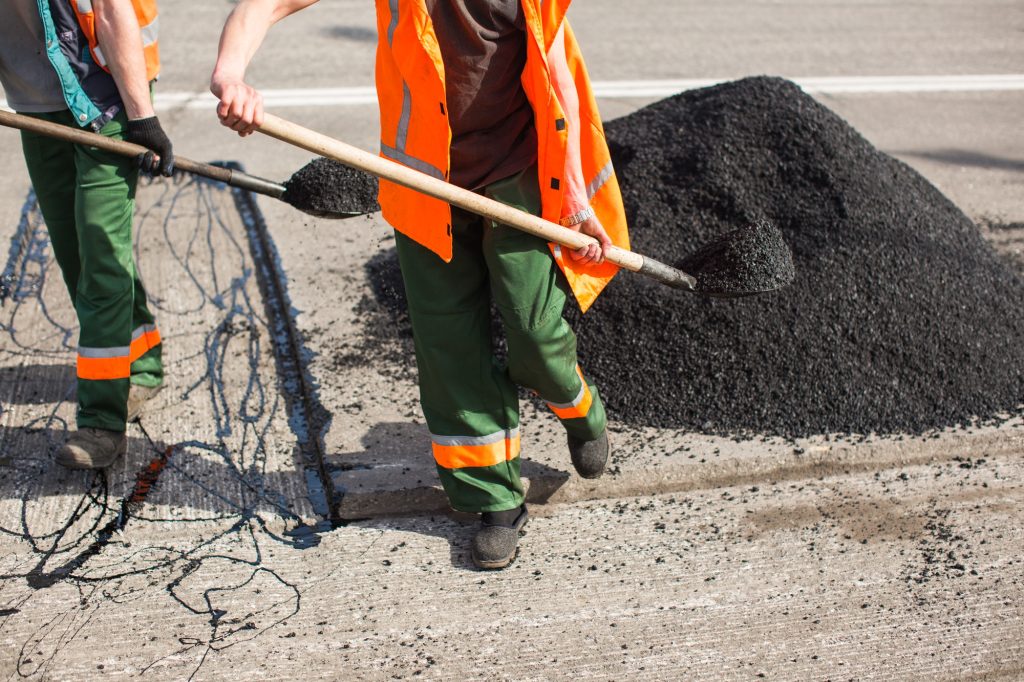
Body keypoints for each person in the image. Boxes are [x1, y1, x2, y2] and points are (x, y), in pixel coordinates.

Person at [211, 0, 630, 569]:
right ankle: (497, 502)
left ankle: (580, 406)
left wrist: (577, 196)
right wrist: (230, 74)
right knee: (449, 344)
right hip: (423, 182)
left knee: (533, 328)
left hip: (518, 171)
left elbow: (557, 71)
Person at [0, 0, 173, 469]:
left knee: (100, 253)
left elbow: (112, 8)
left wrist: (142, 118)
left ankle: (101, 421)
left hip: (106, 90)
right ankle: (141, 360)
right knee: (75, 251)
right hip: (34, 101)